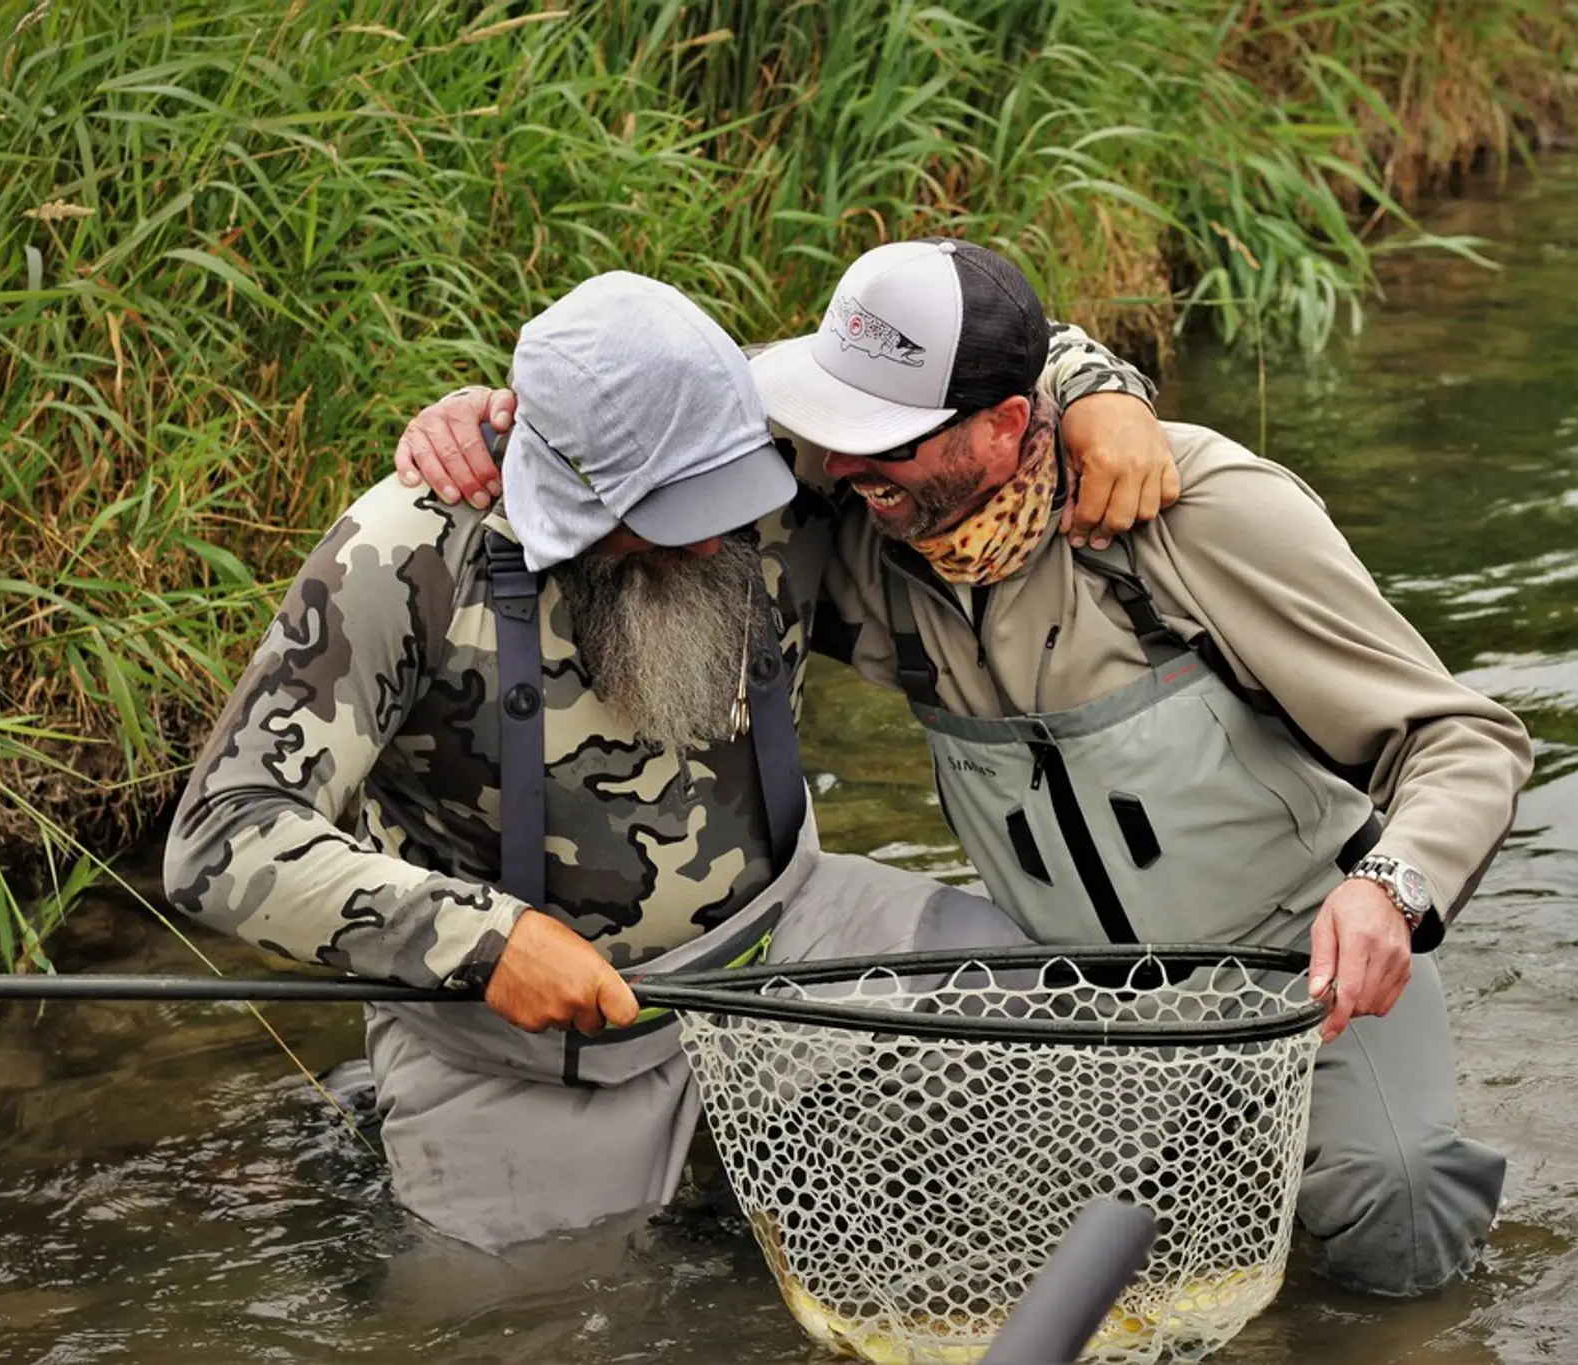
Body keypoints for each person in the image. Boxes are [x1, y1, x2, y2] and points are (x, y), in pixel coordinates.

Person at [401, 239, 1535, 1298]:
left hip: (1299, 988)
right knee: (971, 1256)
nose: (838, 465)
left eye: (879, 439)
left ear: (1004, 425)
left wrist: (1390, 892)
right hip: (1071, 1012)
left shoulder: (1203, 516)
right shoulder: (865, 512)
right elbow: (651, 414)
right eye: (828, 425)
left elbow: (1462, 739)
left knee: (1399, 1212)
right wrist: (500, 422)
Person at [163, 269, 1166, 1254]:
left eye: (729, 494)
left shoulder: (759, 419)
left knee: (1045, 1030)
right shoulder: (405, 554)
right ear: (567, 492)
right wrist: (483, 940)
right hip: (518, 1045)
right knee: (512, 1324)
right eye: (669, 515)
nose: (714, 537)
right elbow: (223, 838)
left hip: (790, 945)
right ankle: (364, 1128)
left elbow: (980, 356)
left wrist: (1101, 398)